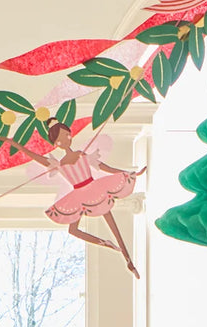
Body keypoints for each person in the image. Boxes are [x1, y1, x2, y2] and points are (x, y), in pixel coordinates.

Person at [8, 118, 143, 277]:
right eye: (60, 139)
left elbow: (104, 167)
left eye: (67, 135)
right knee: (73, 230)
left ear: (70, 135)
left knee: (112, 224)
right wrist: (15, 144)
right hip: (78, 194)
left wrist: (129, 173)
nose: (65, 140)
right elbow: (35, 156)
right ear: (56, 144)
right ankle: (106, 243)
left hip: (95, 187)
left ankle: (128, 260)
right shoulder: (59, 163)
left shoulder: (81, 154)